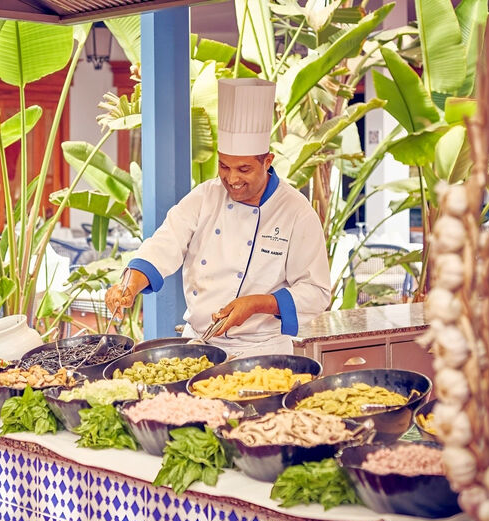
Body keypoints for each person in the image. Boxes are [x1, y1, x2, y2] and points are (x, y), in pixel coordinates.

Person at [105, 78, 331, 357]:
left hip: (261, 352)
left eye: (244, 169)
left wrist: (258, 303)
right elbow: (164, 244)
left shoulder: (296, 212)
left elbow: (316, 292)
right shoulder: (205, 197)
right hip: (199, 346)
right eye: (224, 166)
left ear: (267, 161)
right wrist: (130, 284)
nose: (232, 179)